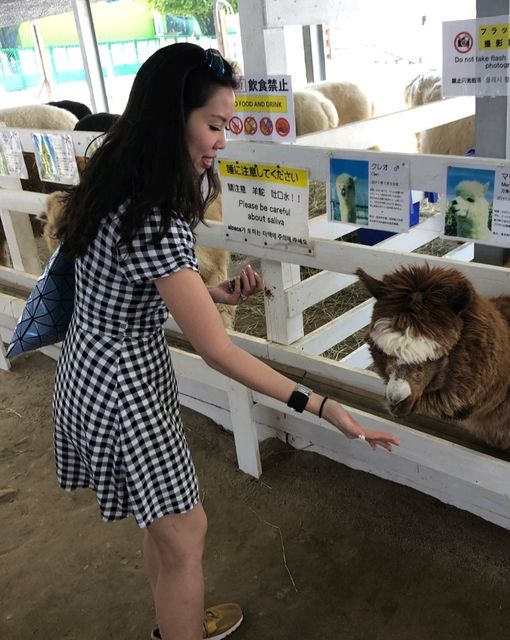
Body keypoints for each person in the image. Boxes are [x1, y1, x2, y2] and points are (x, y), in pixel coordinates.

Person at [51, 42, 400, 640]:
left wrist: (207, 296)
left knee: (163, 527)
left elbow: (118, 282)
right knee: (187, 533)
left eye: (227, 125)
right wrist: (320, 405)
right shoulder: (155, 214)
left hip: (90, 370)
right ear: (170, 119)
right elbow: (219, 351)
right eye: (214, 125)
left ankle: (173, 620)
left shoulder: (115, 185)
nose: (221, 140)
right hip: (124, 389)